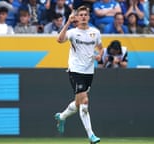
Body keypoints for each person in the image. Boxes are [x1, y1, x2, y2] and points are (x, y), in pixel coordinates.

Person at [55, 5, 103, 144]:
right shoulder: (72, 32)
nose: (83, 17)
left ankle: (62, 116)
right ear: (76, 17)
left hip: (89, 72)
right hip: (75, 70)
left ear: (88, 17)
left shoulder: (95, 32)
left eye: (85, 15)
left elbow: (100, 48)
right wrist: (68, 22)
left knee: (78, 103)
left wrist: (99, 55)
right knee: (85, 102)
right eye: (80, 14)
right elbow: (59, 40)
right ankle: (91, 135)